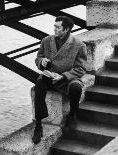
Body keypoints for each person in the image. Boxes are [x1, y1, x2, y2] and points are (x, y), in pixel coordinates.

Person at [32, 16, 87, 144]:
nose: (54, 29)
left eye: (57, 27)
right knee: (39, 85)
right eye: (54, 26)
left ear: (66, 29)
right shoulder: (46, 41)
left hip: (67, 78)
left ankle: (72, 114)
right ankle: (38, 125)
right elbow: (38, 58)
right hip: (50, 76)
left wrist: (63, 76)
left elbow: (81, 68)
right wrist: (42, 62)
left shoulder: (79, 45)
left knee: (76, 88)